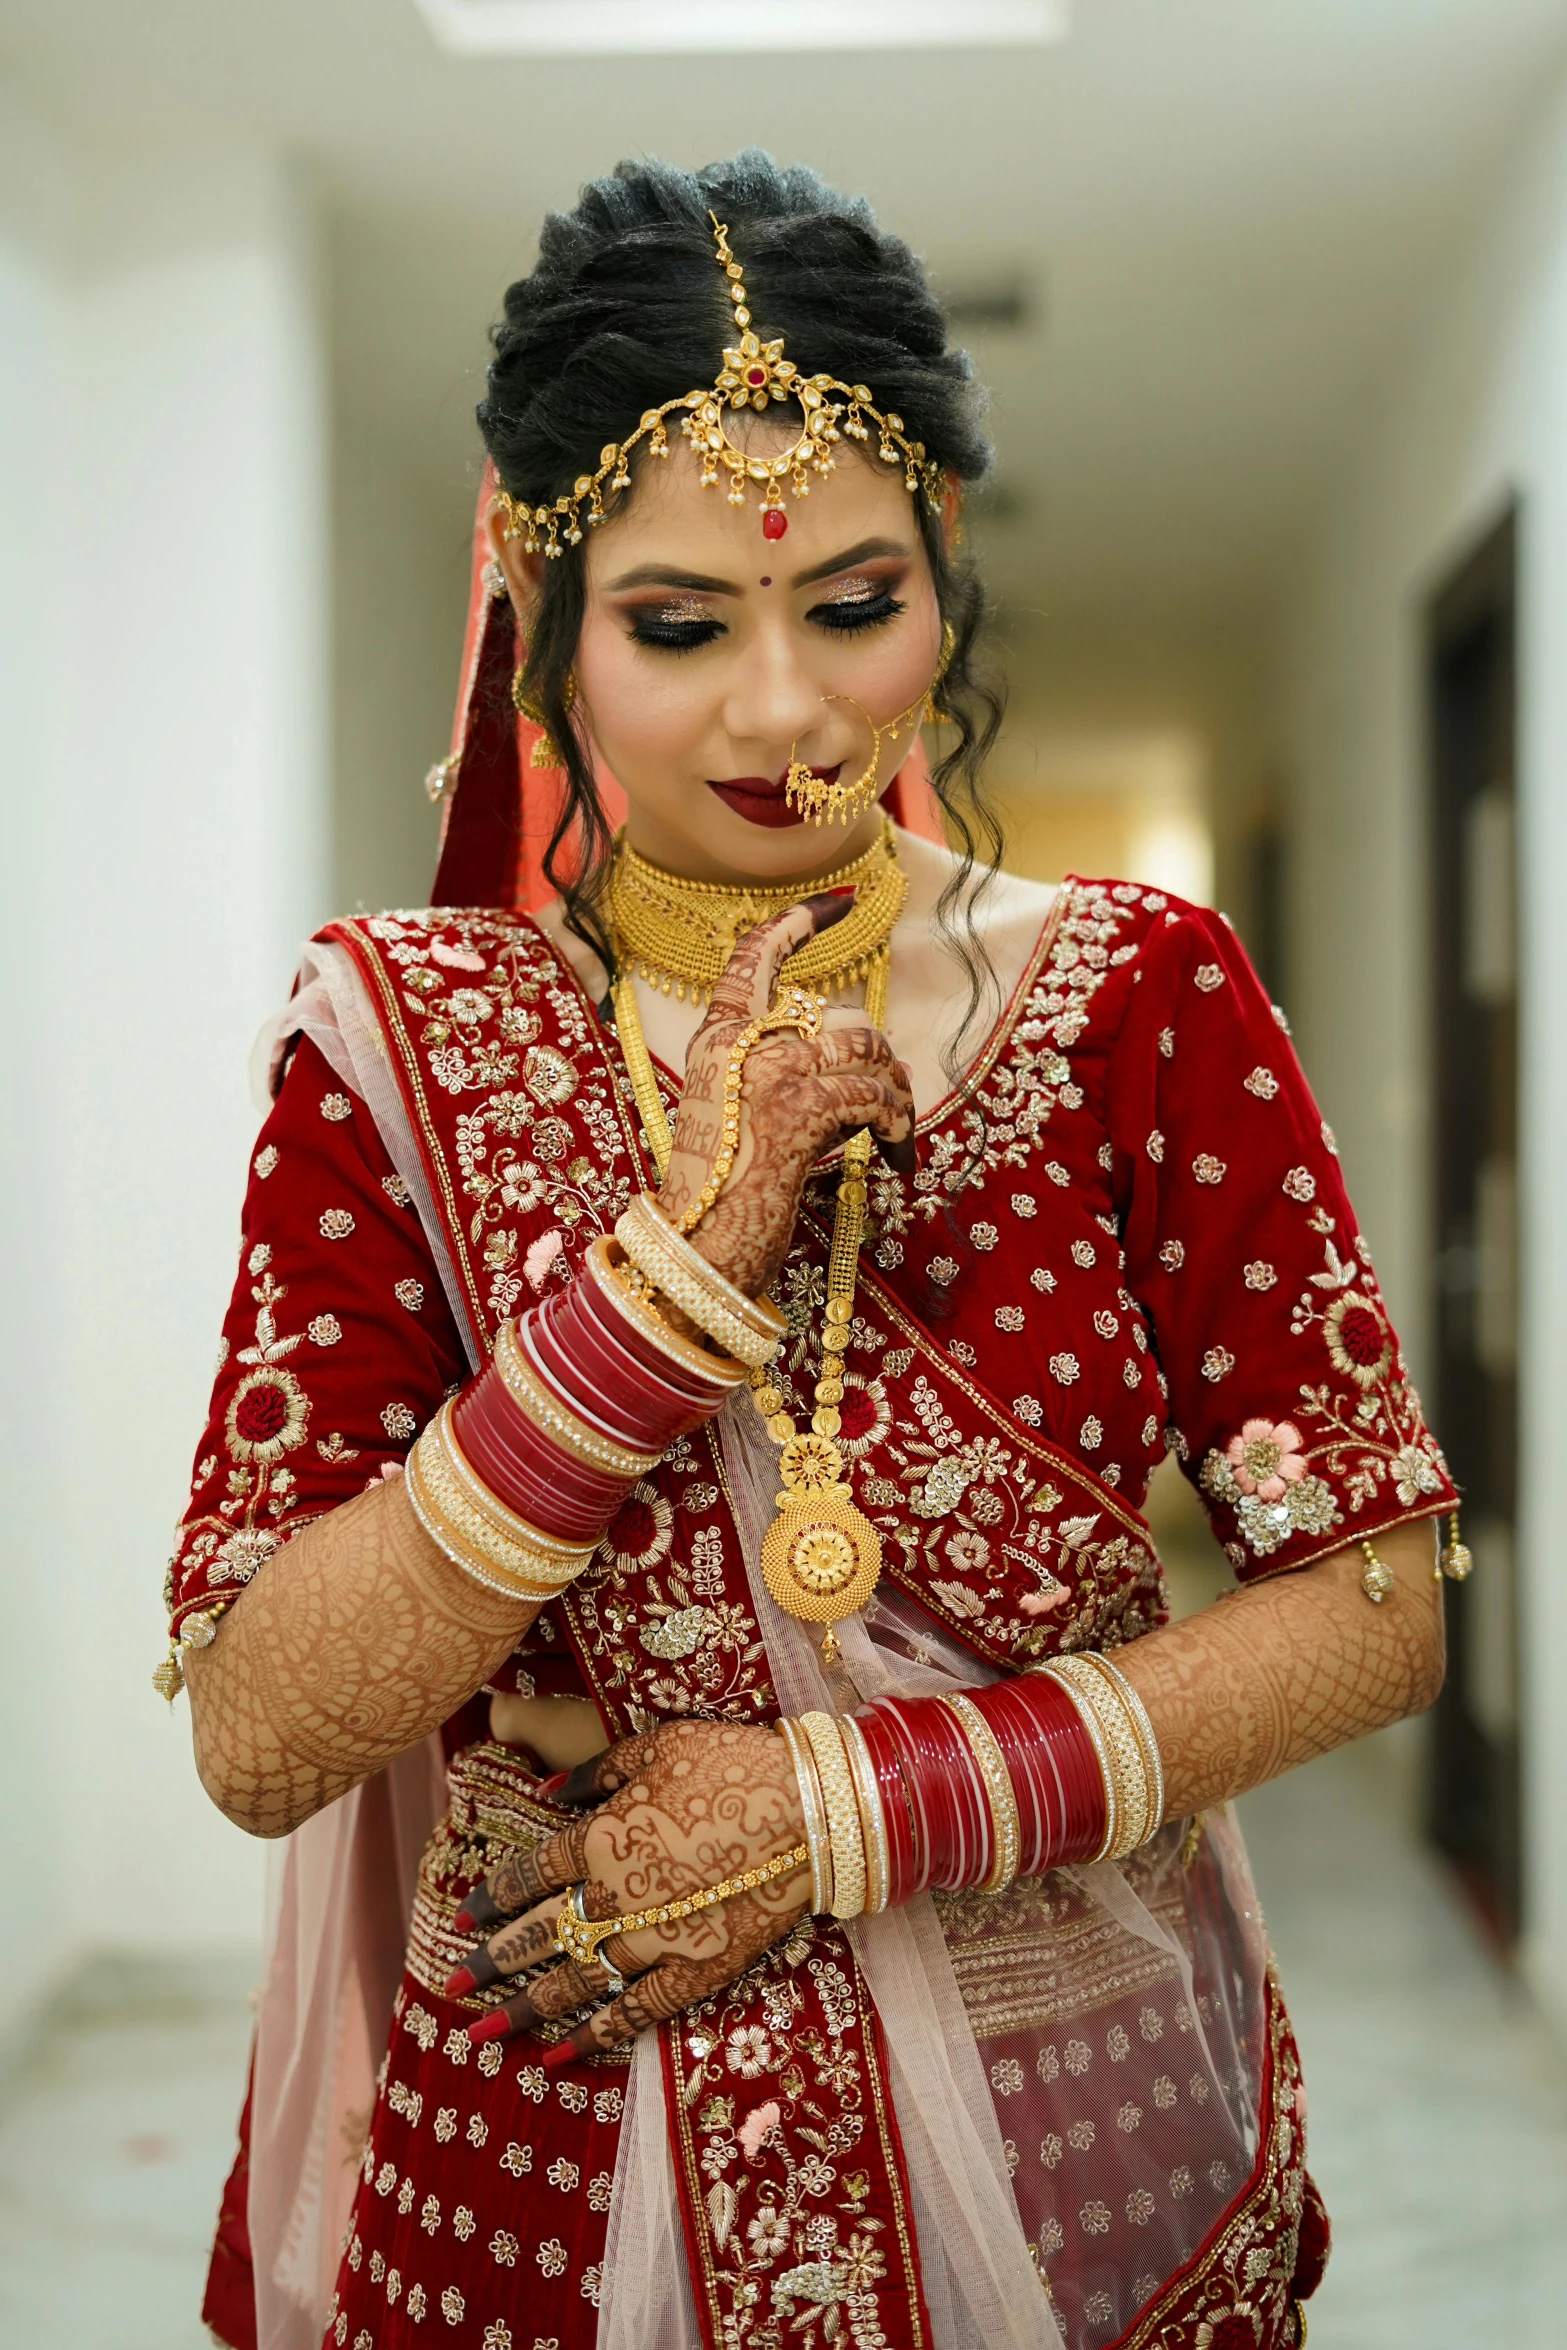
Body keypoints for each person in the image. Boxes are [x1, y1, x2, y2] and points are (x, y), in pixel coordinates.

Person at [165, 152, 1460, 2350]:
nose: (788, 711)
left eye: (855, 603)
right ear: (547, 622)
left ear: (943, 572)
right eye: (680, 627)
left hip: (1084, 2153)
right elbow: (266, 1730)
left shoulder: (1142, 995)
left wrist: (844, 1804)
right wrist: (672, 1270)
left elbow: (1374, 1597)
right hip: (552, 2189)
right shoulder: (411, 1041)